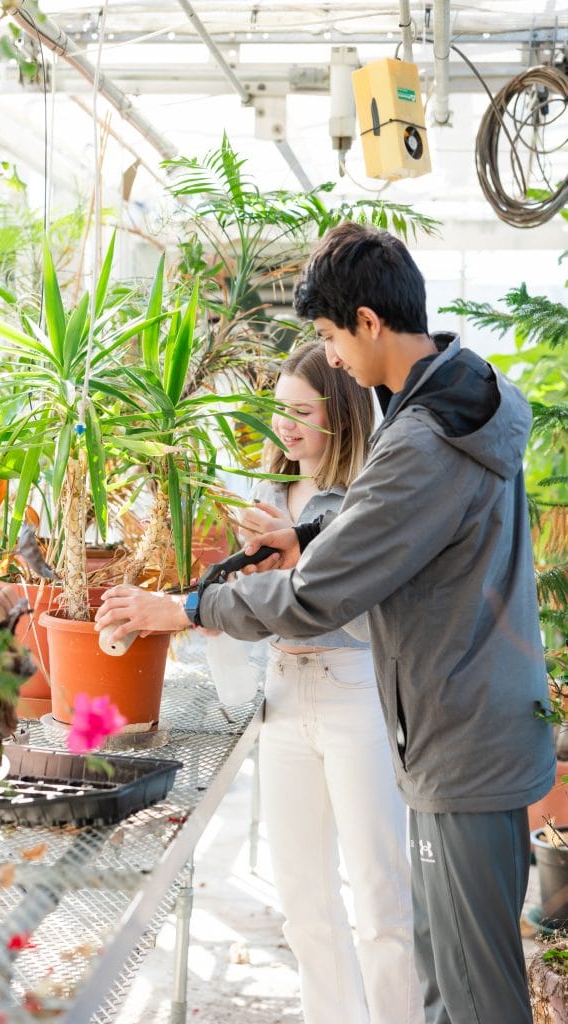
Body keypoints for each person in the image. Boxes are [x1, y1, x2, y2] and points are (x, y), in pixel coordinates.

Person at [95, 222, 557, 1024]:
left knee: (475, 992)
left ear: (369, 323)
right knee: (446, 978)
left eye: (329, 335)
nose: (331, 356)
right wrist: (307, 531)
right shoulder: (456, 393)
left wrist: (191, 608)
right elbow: (398, 515)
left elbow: (318, 598)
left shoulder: (423, 436)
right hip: (466, 716)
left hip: (461, 734)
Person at [235, 340, 422, 1024]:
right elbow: (254, 602)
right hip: (281, 694)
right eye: (276, 409)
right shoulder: (264, 492)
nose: (283, 425)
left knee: (378, 898)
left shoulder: (366, 494)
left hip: (351, 691)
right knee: (303, 903)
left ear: (338, 414)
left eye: (299, 410)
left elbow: (348, 600)